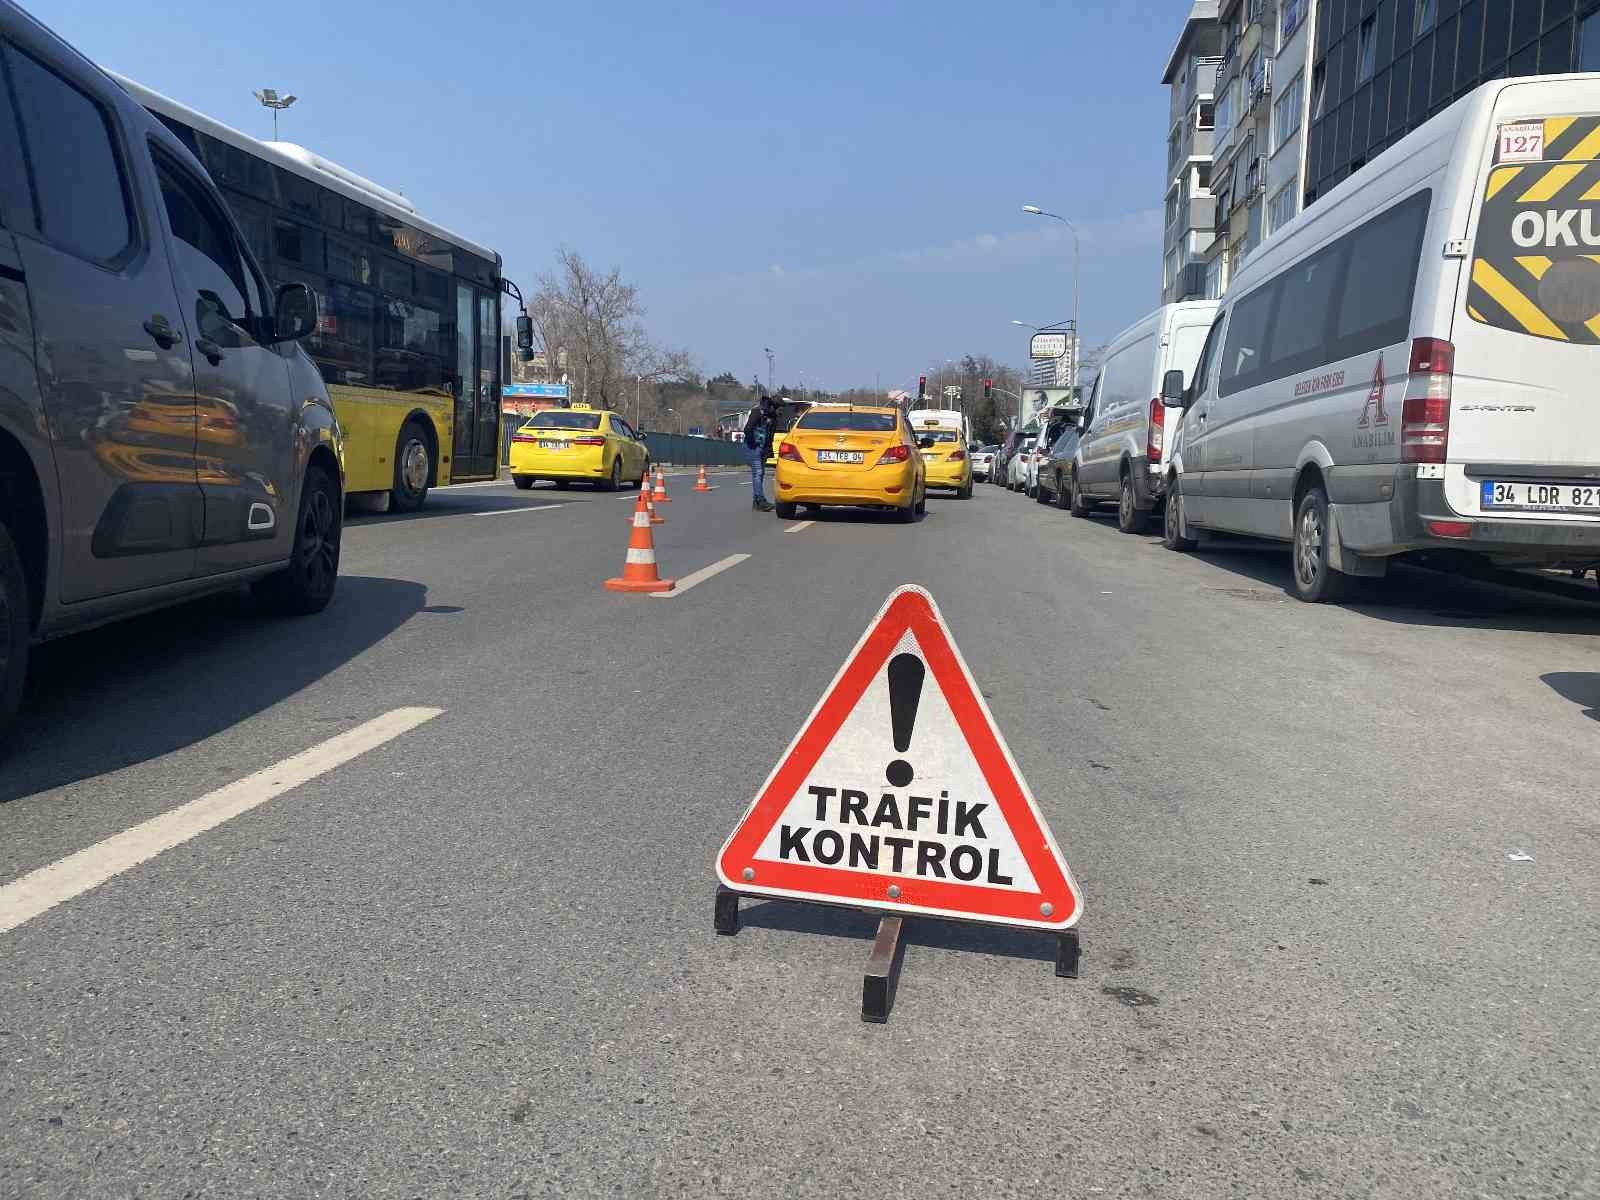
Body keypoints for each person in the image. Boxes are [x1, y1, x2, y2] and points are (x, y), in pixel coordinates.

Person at [743, 397, 775, 511]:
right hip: (754, 447)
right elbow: (747, 429)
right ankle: (760, 500)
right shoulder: (756, 412)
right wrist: (753, 443)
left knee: (759, 474)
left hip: (760, 448)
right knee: (758, 472)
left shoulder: (766, 416)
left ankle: (756, 502)